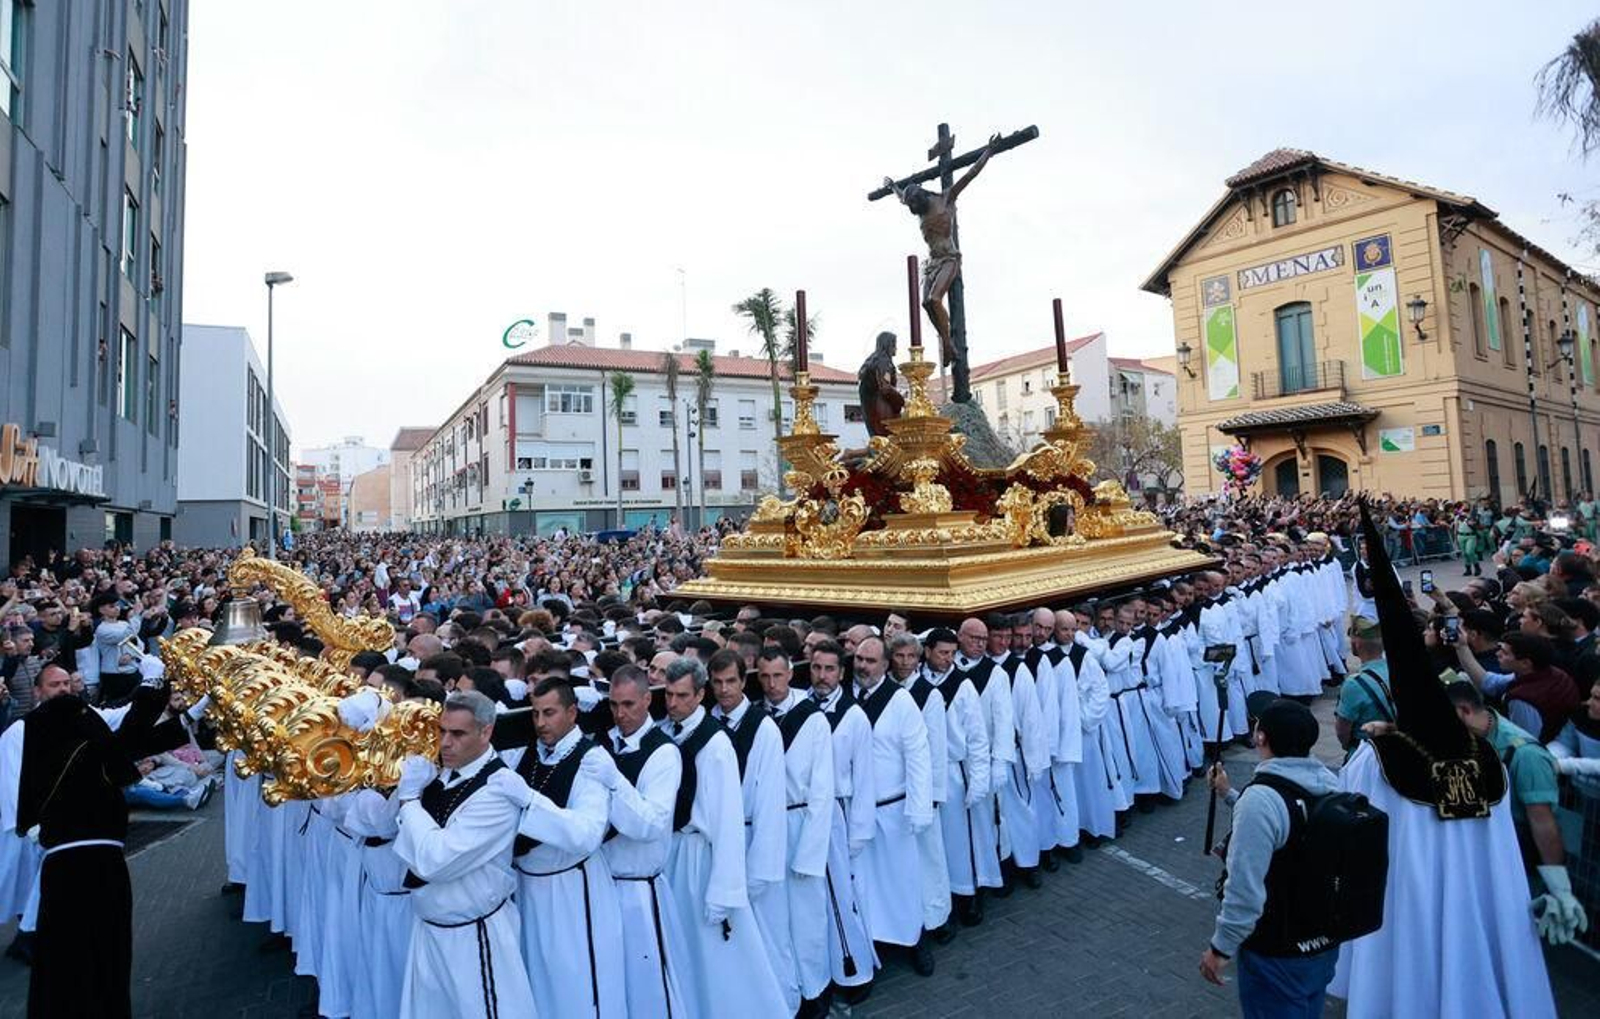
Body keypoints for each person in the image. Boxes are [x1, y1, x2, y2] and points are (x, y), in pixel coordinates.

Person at [1329, 503, 1558, 1018]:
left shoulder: (1377, 759)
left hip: (1409, 899)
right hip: (1479, 898)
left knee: (1411, 960)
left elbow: (1347, 826)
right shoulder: (1487, 754)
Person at [15, 662, 183, 1018]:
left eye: (67, 684)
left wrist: (182, 713)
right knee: (81, 958)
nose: (64, 691)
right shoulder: (39, 725)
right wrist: (153, 685)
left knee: (102, 955)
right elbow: (122, 741)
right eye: (55, 685)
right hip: (75, 859)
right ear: (37, 691)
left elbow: (122, 741)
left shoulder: (79, 722)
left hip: (95, 859)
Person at [391, 690, 537, 1019]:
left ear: (486, 732)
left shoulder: (498, 791)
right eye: (441, 731)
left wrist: (409, 800)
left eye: (457, 734)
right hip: (428, 927)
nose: (445, 743)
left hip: (472, 935)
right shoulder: (440, 774)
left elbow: (436, 860)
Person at [659, 657, 787, 1017]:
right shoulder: (667, 731)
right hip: (673, 853)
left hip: (701, 857)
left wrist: (725, 890)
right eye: (668, 695)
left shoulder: (715, 744)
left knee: (716, 952)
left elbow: (727, 820)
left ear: (700, 695)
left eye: (682, 695)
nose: (673, 703)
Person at [1201, 693, 1342, 1018]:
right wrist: (1228, 794)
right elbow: (1289, 822)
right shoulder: (1329, 783)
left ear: (1261, 737)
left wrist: (1221, 948)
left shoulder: (1261, 800)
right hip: (1322, 943)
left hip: (1277, 951)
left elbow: (1245, 889)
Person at [502, 678, 626, 1019]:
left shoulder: (591, 759)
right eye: (536, 714)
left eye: (550, 713)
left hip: (571, 890)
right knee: (537, 983)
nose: (541, 722)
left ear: (572, 713)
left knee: (576, 984)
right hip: (529, 886)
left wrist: (530, 801)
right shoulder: (532, 752)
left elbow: (587, 833)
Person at [1446, 680, 1588, 940]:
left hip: (1517, 860)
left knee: (1513, 933)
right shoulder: (1469, 737)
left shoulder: (1525, 755)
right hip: (1480, 856)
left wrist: (1560, 888)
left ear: (1464, 710)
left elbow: (1543, 823)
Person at [705, 648, 796, 1013]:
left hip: (752, 839)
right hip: (718, 843)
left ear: (744, 681)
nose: (724, 689)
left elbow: (770, 801)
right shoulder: (707, 721)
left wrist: (761, 868)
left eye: (731, 681)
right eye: (717, 682)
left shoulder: (763, 727)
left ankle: (787, 1003)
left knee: (771, 934)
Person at [599, 664, 690, 1019]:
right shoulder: (605, 743)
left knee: (649, 984)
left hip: (639, 887)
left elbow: (650, 824)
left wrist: (612, 780)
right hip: (602, 884)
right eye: (613, 705)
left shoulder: (663, 752)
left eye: (628, 704)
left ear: (647, 700)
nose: (620, 714)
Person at [756, 647, 836, 1018]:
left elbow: (822, 790)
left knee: (807, 915)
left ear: (790, 674)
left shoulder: (812, 718)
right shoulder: (755, 717)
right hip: (767, 825)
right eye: (765, 676)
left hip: (801, 821)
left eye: (778, 675)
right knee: (774, 917)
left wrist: (811, 851)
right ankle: (785, 990)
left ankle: (816, 987)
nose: (772, 684)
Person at [851, 635, 935, 974]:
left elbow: (918, 755)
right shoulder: (846, 698)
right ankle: (872, 941)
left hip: (893, 810)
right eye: (859, 659)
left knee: (902, 880)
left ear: (886, 665)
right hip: (857, 812)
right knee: (864, 884)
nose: (863, 666)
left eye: (871, 661)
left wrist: (919, 807)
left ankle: (915, 939)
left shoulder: (901, 702)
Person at [920, 626, 994, 926]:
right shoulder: (916, 682)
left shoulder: (962, 686)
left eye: (952, 653)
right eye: (942, 653)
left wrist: (978, 779)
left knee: (960, 840)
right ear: (927, 651)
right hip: (924, 771)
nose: (948, 659)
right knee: (932, 845)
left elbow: (977, 736)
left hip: (953, 772)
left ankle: (967, 894)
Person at [1334, 616, 1393, 754]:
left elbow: (1342, 731)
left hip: (1367, 753)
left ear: (1357, 644)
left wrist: (1350, 748)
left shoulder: (1354, 684)